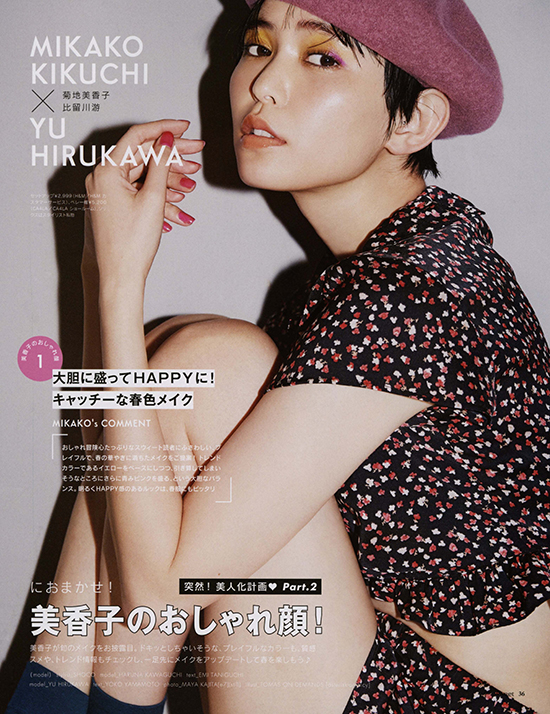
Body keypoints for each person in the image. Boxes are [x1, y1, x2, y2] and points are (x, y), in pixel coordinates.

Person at [6, 0, 550, 713]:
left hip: (459, 701)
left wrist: (115, 280)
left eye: (321, 57)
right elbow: (124, 476)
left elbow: (158, 594)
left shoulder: (416, 290)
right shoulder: (361, 284)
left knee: (211, 360)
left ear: (412, 122)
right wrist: (95, 271)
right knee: (185, 362)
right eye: (258, 45)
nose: (262, 83)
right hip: (386, 666)